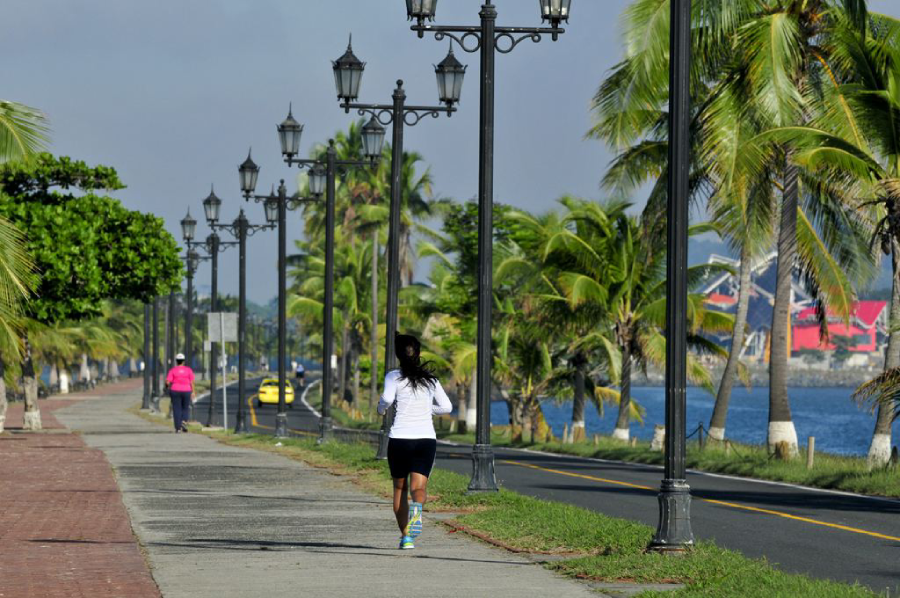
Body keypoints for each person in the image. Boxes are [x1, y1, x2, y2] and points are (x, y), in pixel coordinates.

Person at [377, 334, 452, 550]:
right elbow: (447, 407)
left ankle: (406, 537)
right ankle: (417, 508)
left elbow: (388, 399)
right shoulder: (431, 379)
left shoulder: (393, 376)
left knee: (399, 488)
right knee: (418, 487)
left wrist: (381, 409)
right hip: (425, 439)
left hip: (400, 438)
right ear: (418, 353)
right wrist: (430, 409)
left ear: (398, 355)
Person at [165, 353, 195, 433]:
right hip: (186, 390)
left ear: (176, 361)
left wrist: (167, 387)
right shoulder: (188, 370)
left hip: (175, 390)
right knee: (185, 407)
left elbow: (168, 382)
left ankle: (178, 427)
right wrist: (193, 392)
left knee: (176, 408)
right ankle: (184, 421)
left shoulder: (173, 370)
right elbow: (192, 382)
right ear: (183, 361)